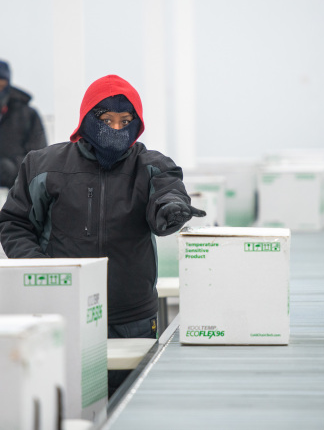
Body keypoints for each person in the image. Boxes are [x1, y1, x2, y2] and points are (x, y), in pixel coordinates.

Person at [0, 74, 206, 396]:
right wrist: (42, 269)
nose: (114, 129)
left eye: (125, 121)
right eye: (105, 119)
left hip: (133, 317)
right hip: (62, 309)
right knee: (68, 403)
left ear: (136, 125)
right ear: (86, 118)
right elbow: (14, 223)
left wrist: (172, 210)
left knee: (133, 409)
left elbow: (167, 194)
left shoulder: (149, 165)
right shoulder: (43, 165)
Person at [0, 60, 47, 188]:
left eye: (1, 84)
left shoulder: (28, 115)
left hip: (17, 193)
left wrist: (11, 168)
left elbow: (40, 156)